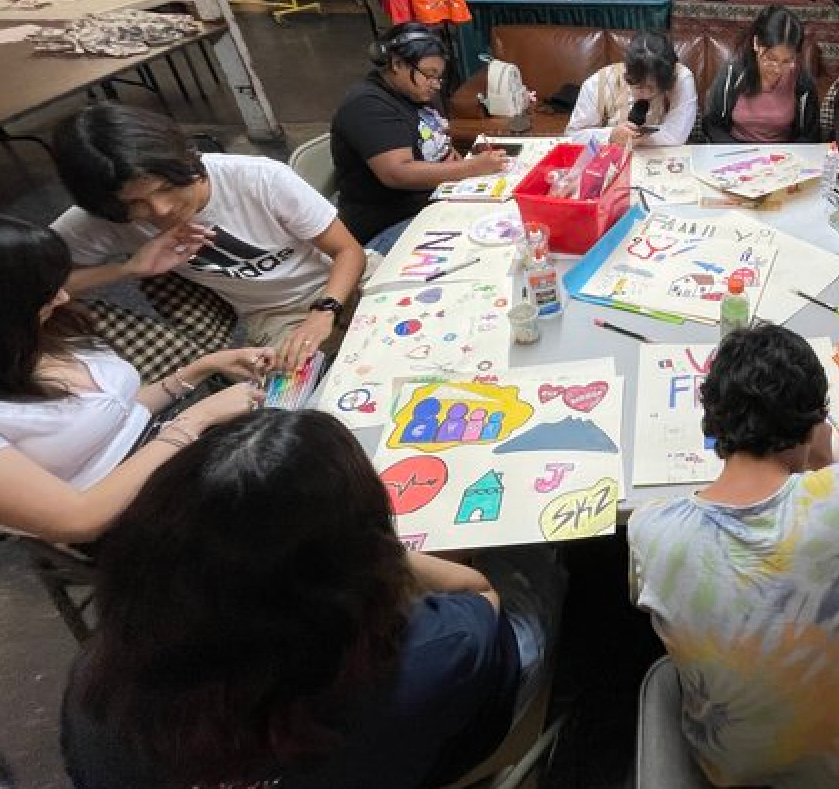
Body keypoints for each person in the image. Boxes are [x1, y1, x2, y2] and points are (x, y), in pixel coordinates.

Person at [63, 408, 561, 789]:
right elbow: (479, 595)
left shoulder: (97, 685)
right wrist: (383, 558)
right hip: (424, 745)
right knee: (528, 560)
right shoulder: (433, 646)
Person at [628, 324, 839, 787]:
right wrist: (823, 466)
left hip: (726, 766)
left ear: (713, 421)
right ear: (814, 425)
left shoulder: (651, 529)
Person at [0, 216, 267, 543]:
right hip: (130, 518)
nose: (63, 298)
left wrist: (201, 367)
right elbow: (79, 519)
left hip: (171, 450)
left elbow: (114, 413)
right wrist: (195, 419)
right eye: (42, 294)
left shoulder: (44, 330)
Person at [51, 103, 366, 374]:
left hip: (341, 282)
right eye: (134, 203)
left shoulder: (258, 178)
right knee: (296, 400)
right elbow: (40, 290)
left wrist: (323, 311)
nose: (160, 209)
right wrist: (127, 269)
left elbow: (348, 251)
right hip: (274, 315)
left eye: (166, 188)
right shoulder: (100, 219)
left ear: (186, 161)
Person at [331, 22, 509, 254]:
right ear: (397, 64)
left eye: (439, 77)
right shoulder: (368, 106)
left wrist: (461, 163)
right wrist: (472, 168)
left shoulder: (419, 91)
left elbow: (438, 143)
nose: (435, 84)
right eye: (429, 75)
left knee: (504, 218)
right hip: (389, 225)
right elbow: (397, 173)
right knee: (480, 248)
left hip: (433, 202)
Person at [701, 6, 821, 143]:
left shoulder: (802, 82)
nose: (778, 69)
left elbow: (810, 134)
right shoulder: (733, 73)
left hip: (783, 155)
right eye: (771, 58)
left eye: (787, 61)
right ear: (756, 43)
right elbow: (712, 124)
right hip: (735, 150)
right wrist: (736, 152)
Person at [566, 30, 698, 148]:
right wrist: (611, 135)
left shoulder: (680, 77)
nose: (646, 94)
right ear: (627, 72)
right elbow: (573, 136)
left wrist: (634, 138)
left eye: (653, 88)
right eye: (639, 86)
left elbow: (676, 136)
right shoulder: (597, 82)